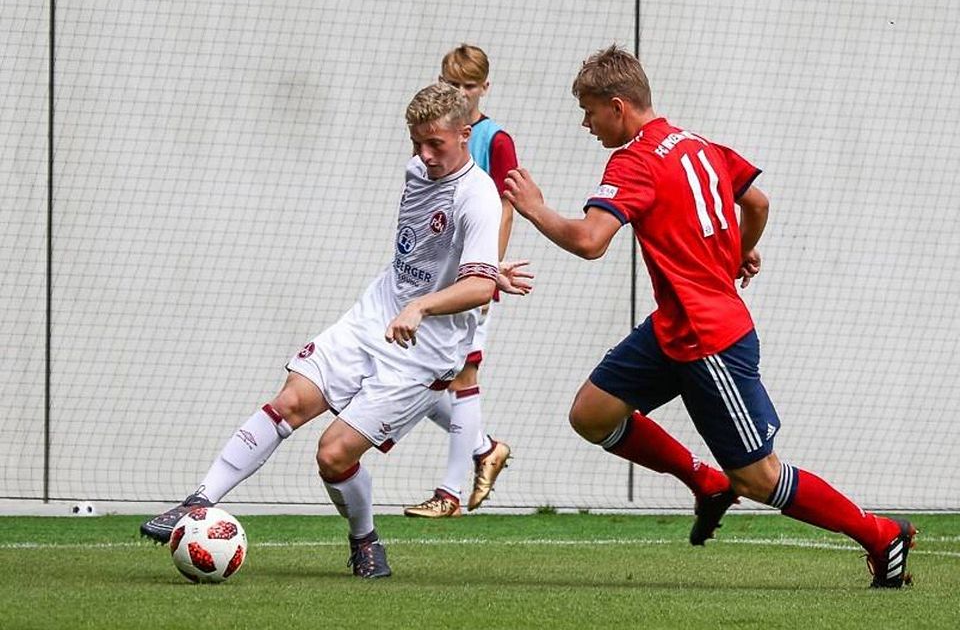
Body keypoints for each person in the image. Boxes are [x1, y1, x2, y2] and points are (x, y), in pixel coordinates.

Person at [503, 44, 915, 588]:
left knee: (759, 478)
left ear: (618, 105)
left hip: (710, 339)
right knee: (592, 414)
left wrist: (534, 207)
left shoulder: (634, 161)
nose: (586, 123)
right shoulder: (698, 143)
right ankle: (704, 480)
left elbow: (589, 241)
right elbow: (759, 202)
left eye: (589, 110)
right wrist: (736, 251)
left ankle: (882, 534)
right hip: (674, 324)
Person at [140, 81, 532, 578]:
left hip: (423, 349)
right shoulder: (416, 171)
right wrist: (472, 273)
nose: (424, 154)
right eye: (416, 142)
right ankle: (197, 502)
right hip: (373, 316)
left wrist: (427, 305)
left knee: (332, 454)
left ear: (464, 134)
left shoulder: (478, 198)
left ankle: (364, 540)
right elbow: (433, 255)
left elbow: (476, 291)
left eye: (435, 143)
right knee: (289, 402)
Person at [404, 44, 521, 518]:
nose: (460, 93)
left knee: (463, 373)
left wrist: (489, 271)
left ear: (484, 88)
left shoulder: (494, 139)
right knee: (429, 376)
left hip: (473, 275)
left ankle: (449, 494)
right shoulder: (436, 136)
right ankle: (485, 448)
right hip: (435, 279)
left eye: (469, 86)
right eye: (451, 84)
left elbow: (508, 207)